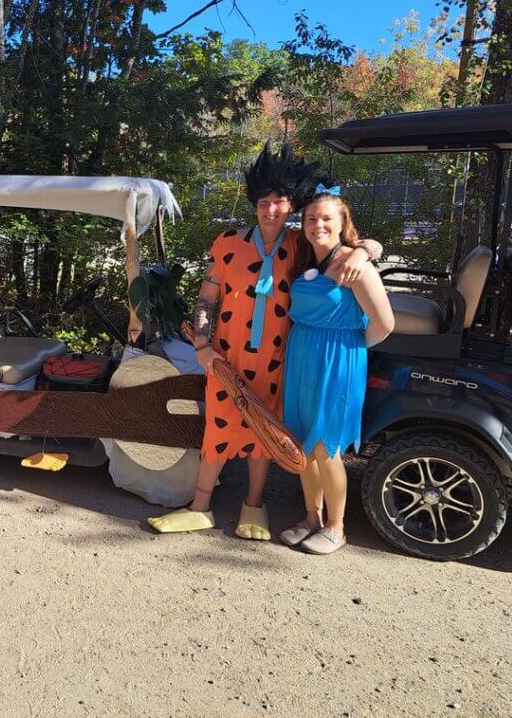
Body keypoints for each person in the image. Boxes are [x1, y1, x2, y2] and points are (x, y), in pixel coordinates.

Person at [148, 142, 382, 539]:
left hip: (279, 361)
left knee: (263, 433)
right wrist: (202, 345)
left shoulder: (301, 246)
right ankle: (200, 505)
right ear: (254, 204)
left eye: (279, 201)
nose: (270, 209)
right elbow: (207, 297)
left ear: (291, 205)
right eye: (263, 201)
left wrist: (368, 249)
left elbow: (342, 243)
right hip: (226, 357)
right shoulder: (228, 243)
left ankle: (252, 505)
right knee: (217, 429)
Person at [279, 189, 394, 554]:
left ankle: (336, 526)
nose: (318, 225)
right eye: (311, 219)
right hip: (302, 358)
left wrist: (350, 350)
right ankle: (311, 519)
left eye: (327, 218)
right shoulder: (304, 258)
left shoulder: (354, 264)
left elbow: (384, 323)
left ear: (343, 224)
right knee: (302, 442)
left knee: (327, 447)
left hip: (338, 360)